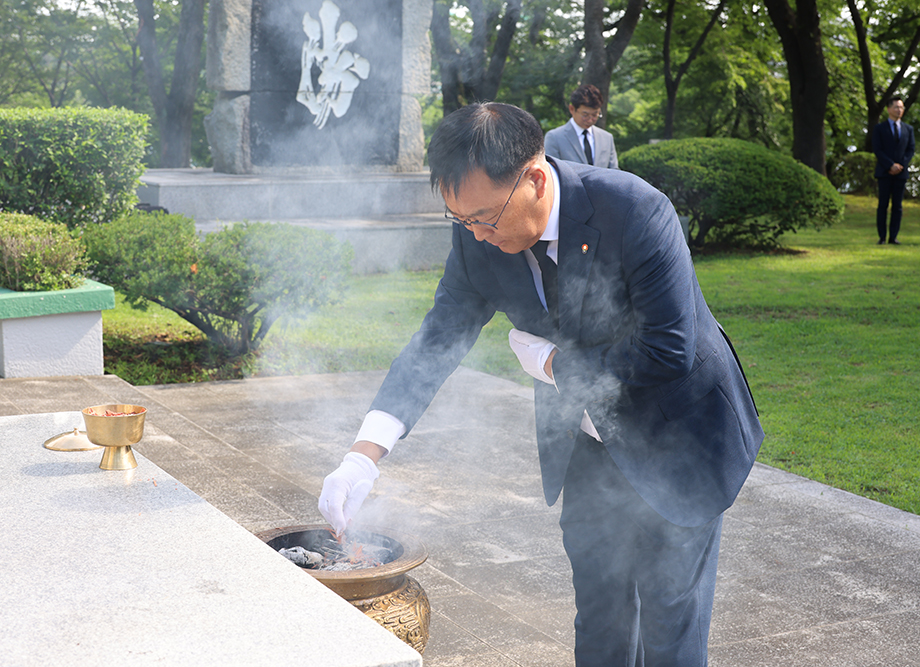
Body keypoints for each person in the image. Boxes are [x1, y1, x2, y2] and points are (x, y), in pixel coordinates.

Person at [318, 103, 763, 666]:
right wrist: (363, 455)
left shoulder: (634, 210)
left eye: (484, 217)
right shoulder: (477, 238)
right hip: (585, 445)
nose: (476, 235)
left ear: (532, 178)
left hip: (679, 438)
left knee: (670, 627)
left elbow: (666, 349)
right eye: (460, 220)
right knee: (598, 616)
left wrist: (553, 365)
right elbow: (436, 342)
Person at [544, 84, 618, 169]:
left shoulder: (607, 138)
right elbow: (551, 173)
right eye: (585, 115)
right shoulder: (555, 138)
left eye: (595, 115)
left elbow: (614, 172)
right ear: (572, 109)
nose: (590, 120)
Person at [873, 96, 915, 245]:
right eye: (896, 107)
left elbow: (910, 150)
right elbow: (877, 149)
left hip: (901, 173)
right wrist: (890, 165)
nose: (899, 110)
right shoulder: (879, 128)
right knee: (883, 205)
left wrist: (900, 166)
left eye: (901, 108)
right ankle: (882, 237)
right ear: (889, 109)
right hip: (884, 172)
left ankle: (893, 236)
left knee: (897, 206)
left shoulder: (908, 129)